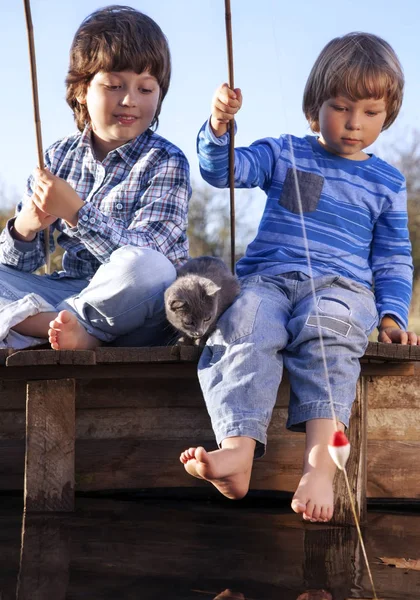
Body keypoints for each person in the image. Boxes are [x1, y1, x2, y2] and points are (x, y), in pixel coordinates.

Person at [180, 32, 418, 523]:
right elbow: (224, 170)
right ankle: (238, 449)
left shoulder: (387, 183)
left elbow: (394, 258)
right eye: (342, 107)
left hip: (343, 290)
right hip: (268, 281)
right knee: (244, 320)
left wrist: (393, 315)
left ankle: (319, 469)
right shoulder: (285, 152)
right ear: (316, 104)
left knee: (329, 332)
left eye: (371, 112)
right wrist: (219, 127)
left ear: (387, 114)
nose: (354, 123)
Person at [0, 5, 190, 350]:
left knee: (151, 269)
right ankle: (61, 330)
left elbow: (149, 253)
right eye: (115, 85)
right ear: (82, 91)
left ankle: (33, 328)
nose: (130, 100)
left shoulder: (166, 160)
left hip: (138, 306)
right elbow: (20, 266)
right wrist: (25, 228)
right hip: (69, 290)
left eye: (145, 90)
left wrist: (77, 213)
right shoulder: (58, 157)